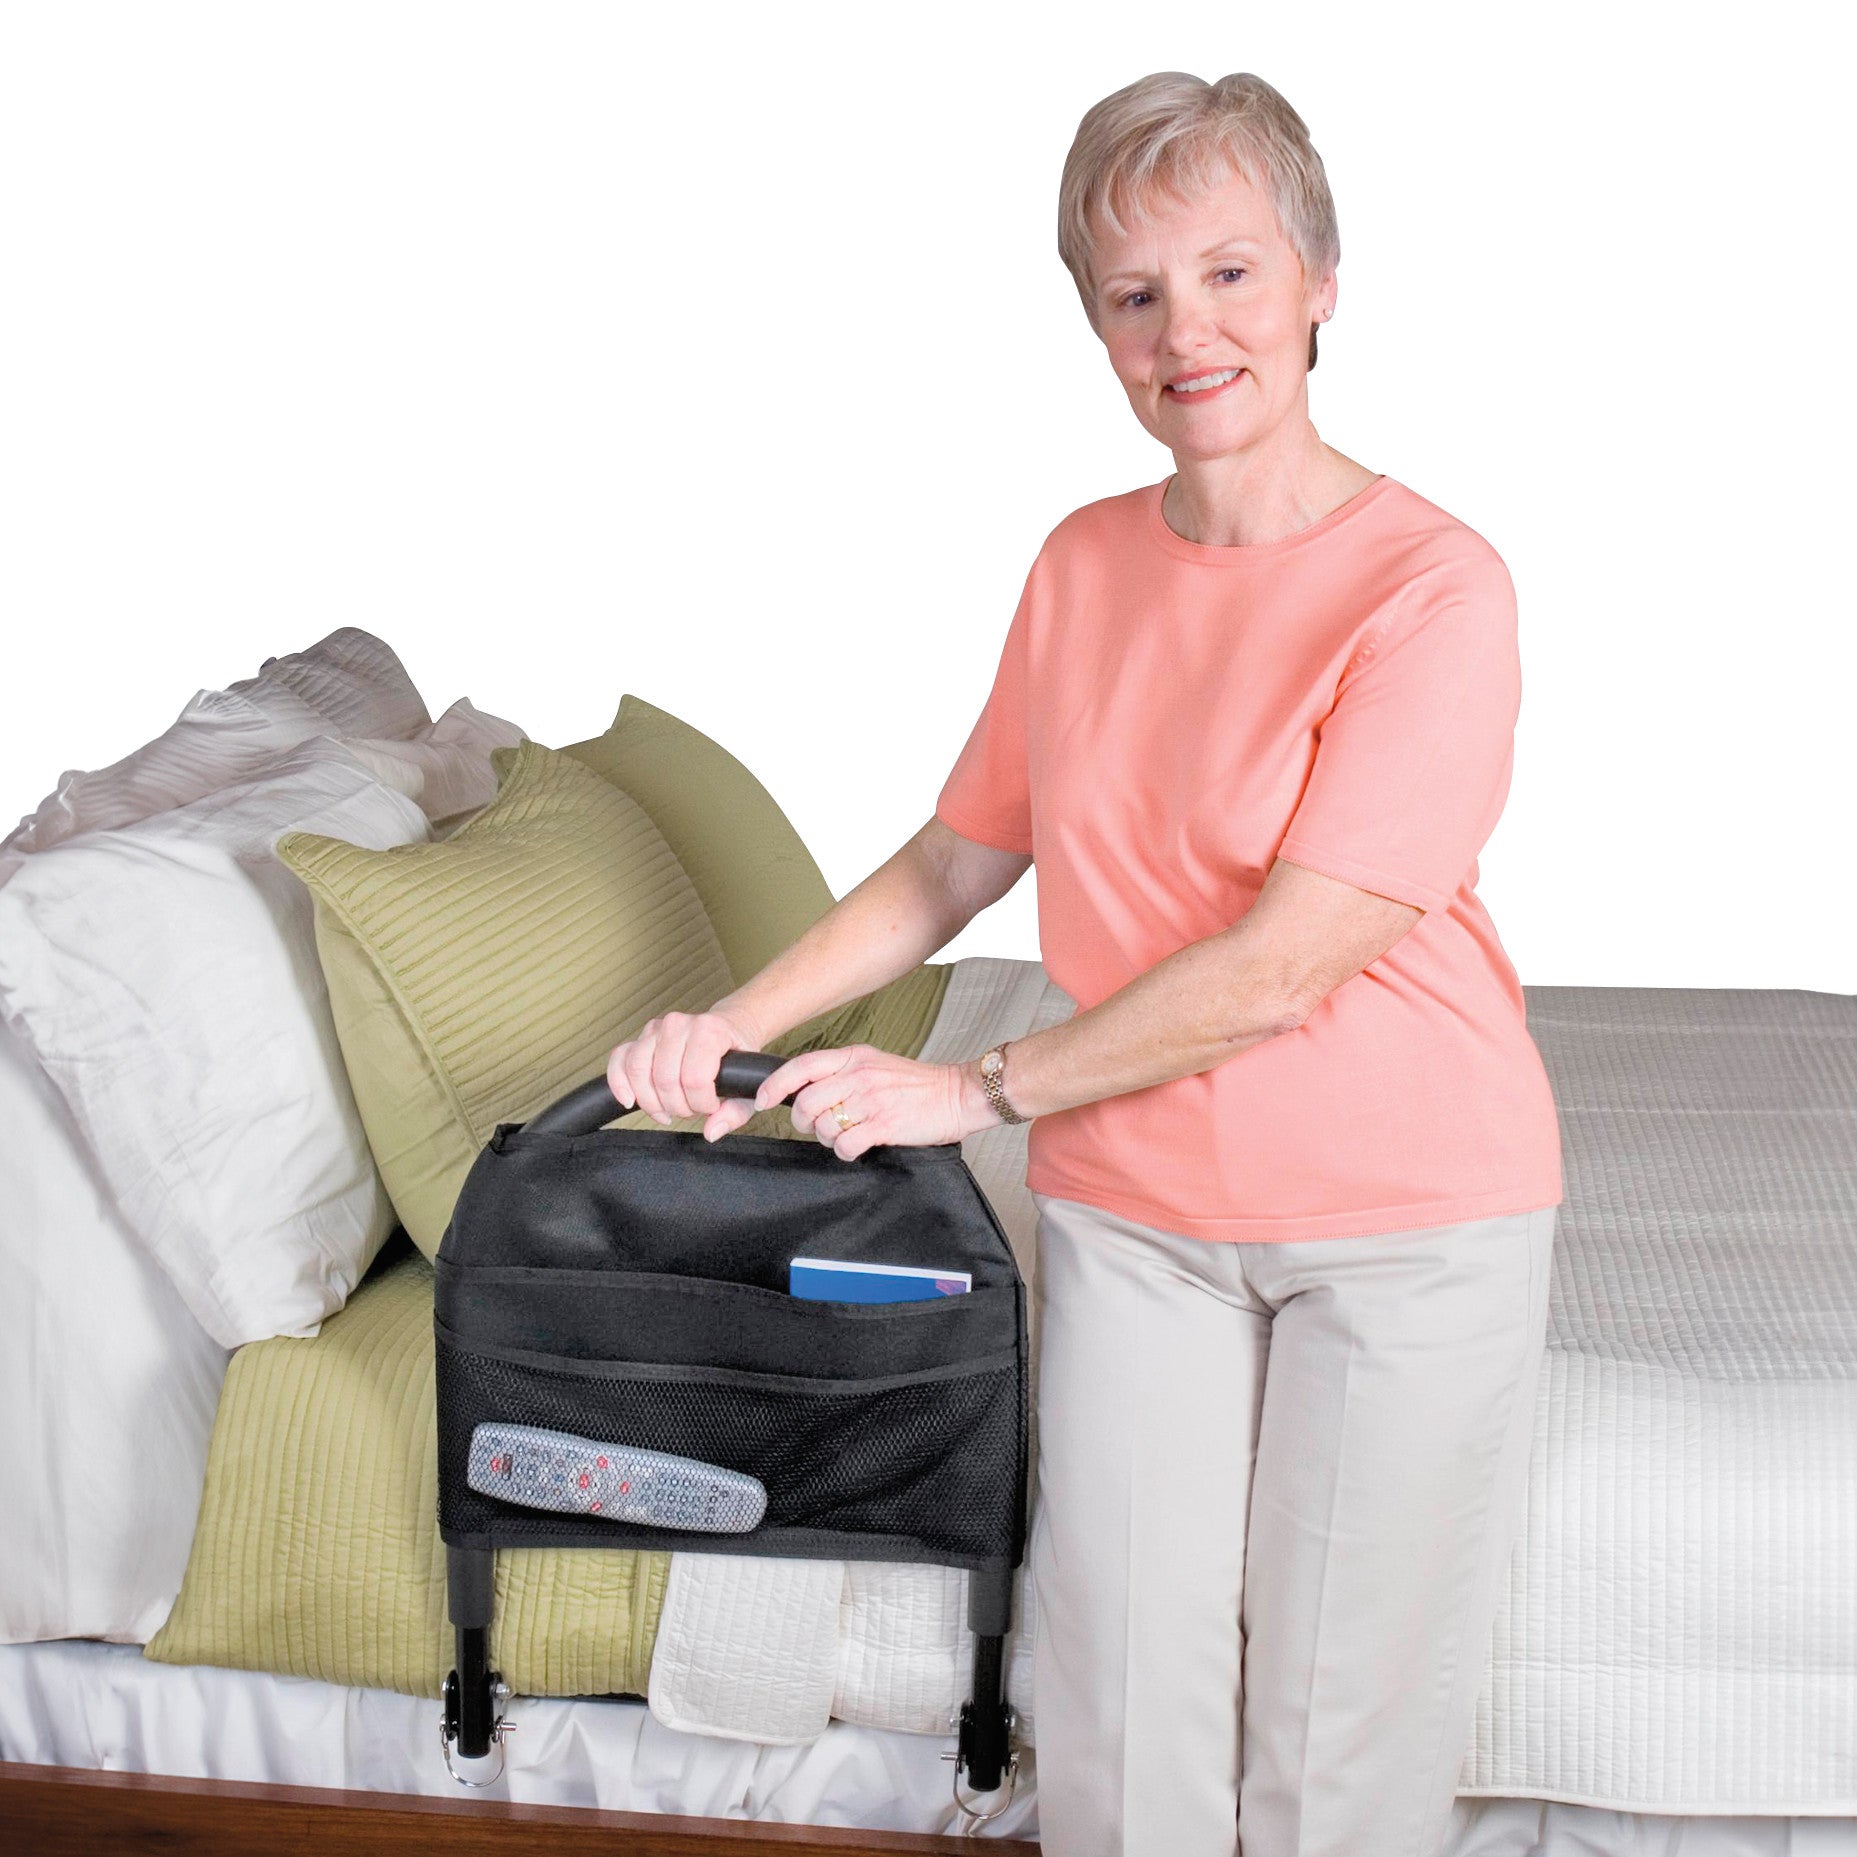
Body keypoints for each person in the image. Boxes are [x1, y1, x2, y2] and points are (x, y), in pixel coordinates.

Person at [605, 68, 1563, 1857]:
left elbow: (1286, 963)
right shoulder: (1082, 561)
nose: (1184, 332)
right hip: (1138, 1214)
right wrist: (722, 1026)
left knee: (1336, 1747)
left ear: (1318, 282)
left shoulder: (1433, 585)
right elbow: (955, 855)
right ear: (1093, 326)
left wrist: (969, 1088)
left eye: (1227, 274)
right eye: (1133, 296)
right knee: (1117, 1723)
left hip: (1407, 1223)